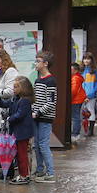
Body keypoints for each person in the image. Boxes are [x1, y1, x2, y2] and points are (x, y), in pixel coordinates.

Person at [0, 76, 35, 185]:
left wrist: (9, 118)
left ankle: (24, 175)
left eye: (16, 87)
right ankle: (23, 174)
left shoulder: (24, 101)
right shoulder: (15, 99)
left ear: (23, 88)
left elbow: (20, 114)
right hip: (17, 132)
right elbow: (5, 104)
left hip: (22, 133)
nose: (14, 89)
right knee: (18, 155)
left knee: (22, 155)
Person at [0, 49, 19, 178]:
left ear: (4, 60)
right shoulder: (0, 73)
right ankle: (5, 169)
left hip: (6, 112)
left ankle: (8, 170)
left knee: (5, 143)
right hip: (0, 112)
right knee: (0, 141)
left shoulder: (10, 71)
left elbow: (10, 91)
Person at [32, 51, 57, 183]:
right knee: (36, 145)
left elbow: (51, 102)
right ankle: (40, 170)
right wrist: (32, 110)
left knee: (43, 145)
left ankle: (51, 173)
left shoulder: (51, 81)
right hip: (35, 117)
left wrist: (38, 112)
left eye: (38, 61)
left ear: (45, 64)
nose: (35, 64)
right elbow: (35, 99)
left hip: (45, 118)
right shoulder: (37, 80)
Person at [81, 53, 97, 136]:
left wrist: (91, 94)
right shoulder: (81, 70)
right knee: (82, 112)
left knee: (91, 111)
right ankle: (85, 129)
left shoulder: (95, 70)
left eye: (88, 59)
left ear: (91, 60)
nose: (86, 60)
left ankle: (91, 130)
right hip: (81, 95)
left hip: (91, 95)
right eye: (85, 59)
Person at [70, 62, 87, 142]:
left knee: (75, 117)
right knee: (76, 116)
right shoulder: (77, 77)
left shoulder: (75, 78)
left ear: (75, 70)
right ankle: (76, 133)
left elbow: (73, 91)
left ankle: (75, 134)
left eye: (71, 69)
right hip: (78, 99)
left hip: (75, 100)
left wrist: (69, 98)